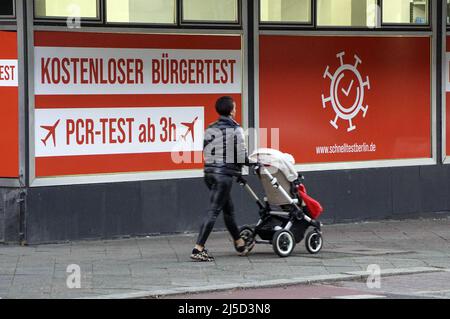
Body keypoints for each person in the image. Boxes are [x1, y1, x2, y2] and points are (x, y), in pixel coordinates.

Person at [191, 96, 253, 262]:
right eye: (235, 107)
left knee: (228, 210)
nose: (236, 109)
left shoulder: (211, 127)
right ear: (232, 110)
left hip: (209, 173)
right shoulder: (236, 129)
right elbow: (241, 156)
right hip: (223, 176)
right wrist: (253, 163)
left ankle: (240, 244)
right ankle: (198, 248)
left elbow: (205, 149)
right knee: (214, 210)